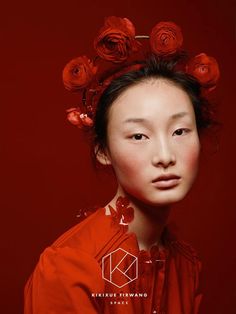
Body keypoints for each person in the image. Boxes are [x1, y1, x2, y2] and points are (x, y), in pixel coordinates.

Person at [24, 17, 220, 314]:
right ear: (103, 150)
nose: (165, 155)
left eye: (179, 131)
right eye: (139, 135)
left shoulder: (187, 265)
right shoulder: (70, 268)